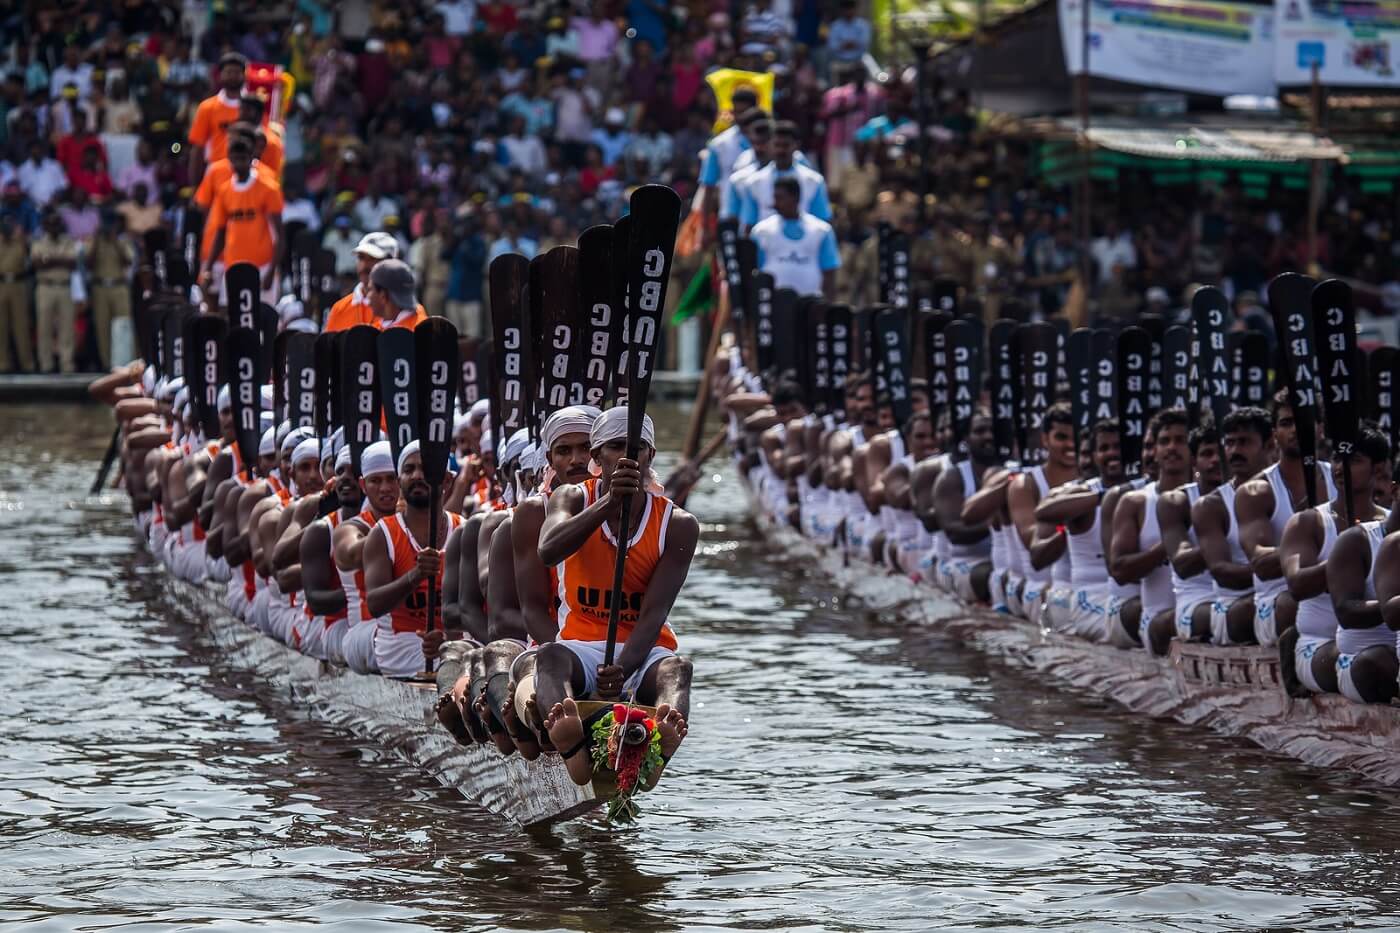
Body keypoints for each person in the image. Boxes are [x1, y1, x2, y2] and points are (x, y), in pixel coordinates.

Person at [534, 407, 694, 786]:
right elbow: (548, 550)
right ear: (597, 456)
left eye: (635, 448)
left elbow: (654, 612)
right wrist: (609, 502)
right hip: (581, 646)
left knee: (678, 669)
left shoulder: (679, 524)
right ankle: (572, 748)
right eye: (615, 447)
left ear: (650, 456)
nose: (627, 456)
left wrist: (622, 669)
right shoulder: (571, 497)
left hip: (643, 649)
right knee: (549, 656)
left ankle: (660, 748)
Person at [1282, 427, 1391, 697]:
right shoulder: (1308, 522)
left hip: (1384, 642)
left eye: (1353, 460)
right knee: (1371, 662)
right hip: (1320, 645)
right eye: (1336, 459)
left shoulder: (1391, 524)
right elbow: (1296, 585)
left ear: (1378, 468)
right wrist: (1348, 556)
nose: (1340, 468)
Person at [1234, 393, 1336, 648]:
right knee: (1293, 602)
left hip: (1337, 592)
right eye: (1286, 423)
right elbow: (1261, 563)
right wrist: (1320, 550)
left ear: (1321, 429)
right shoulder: (1255, 491)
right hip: (1278, 602)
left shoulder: (1340, 478)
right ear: (1274, 434)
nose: (1295, 429)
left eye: (1303, 421)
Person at [362, 441, 466, 678]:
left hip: (453, 643)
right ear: (400, 481)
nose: (417, 475)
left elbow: (475, 605)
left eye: (426, 468)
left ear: (447, 481)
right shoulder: (382, 533)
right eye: (409, 470)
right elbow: (375, 605)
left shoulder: (463, 530)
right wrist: (415, 576)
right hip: (401, 647)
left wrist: (448, 639)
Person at [1035, 419, 1127, 639]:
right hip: (1087, 597)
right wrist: (1106, 497)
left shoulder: (1145, 490)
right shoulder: (1081, 492)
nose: (1112, 453)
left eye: (1118, 447)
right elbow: (1043, 511)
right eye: (1104, 448)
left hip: (1124, 597)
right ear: (1095, 456)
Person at [1193, 407, 1274, 647]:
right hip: (1233, 608)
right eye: (1229, 443)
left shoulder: (1292, 489)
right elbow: (1222, 572)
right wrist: (1289, 571)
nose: (1235, 451)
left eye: (1244, 442)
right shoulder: (1211, 505)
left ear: (1269, 445)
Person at [1110, 410, 1191, 649]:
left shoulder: (1212, 499)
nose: (1172, 447)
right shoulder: (1135, 502)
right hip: (1156, 622)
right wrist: (1170, 544)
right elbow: (1119, 571)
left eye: (1180, 440)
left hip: (1200, 611)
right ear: (1154, 450)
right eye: (1165, 441)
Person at [1152, 424, 1223, 655]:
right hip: (1196, 602)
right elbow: (1182, 565)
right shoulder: (1175, 502)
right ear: (1193, 461)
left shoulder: (1253, 495)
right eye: (1207, 454)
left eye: (1220, 452)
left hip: (1244, 596)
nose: (1215, 460)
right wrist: (1223, 540)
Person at [1006, 403, 1078, 626]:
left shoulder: (1092, 481)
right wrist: (1071, 520)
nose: (1070, 445)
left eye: (1075, 437)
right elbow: (1033, 544)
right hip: (1040, 586)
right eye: (1061, 437)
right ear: (1045, 439)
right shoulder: (1024, 485)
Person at [336, 441, 401, 673]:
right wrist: (399, 526)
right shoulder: (349, 528)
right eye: (376, 481)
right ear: (363, 485)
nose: (385, 488)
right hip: (363, 633)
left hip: (407, 631)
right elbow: (349, 554)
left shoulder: (418, 521)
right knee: (400, 640)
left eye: (391, 479)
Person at [201, 134, 284, 305]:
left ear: (251, 157)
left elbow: (279, 235)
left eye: (243, 159)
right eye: (235, 159)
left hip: (262, 266)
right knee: (228, 313)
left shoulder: (268, 189)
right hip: (233, 266)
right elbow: (220, 232)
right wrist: (208, 267)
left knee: (264, 314)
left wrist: (272, 270)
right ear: (229, 159)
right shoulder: (224, 191)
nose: (239, 164)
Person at [931, 412, 999, 602]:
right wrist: (995, 525)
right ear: (966, 439)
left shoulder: (1016, 470)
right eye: (980, 431)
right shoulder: (951, 478)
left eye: (993, 430)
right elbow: (954, 532)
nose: (988, 436)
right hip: (966, 563)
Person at [748, 176, 840, 299]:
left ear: (795, 198)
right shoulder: (761, 231)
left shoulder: (821, 231)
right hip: (772, 302)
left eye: (780, 198)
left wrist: (828, 304)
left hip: (810, 304)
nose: (775, 204)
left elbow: (829, 273)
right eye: (775, 198)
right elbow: (753, 271)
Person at [738, 122, 831, 230]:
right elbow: (749, 224)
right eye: (777, 145)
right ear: (769, 145)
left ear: (796, 145)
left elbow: (822, 222)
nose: (781, 150)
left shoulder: (813, 181)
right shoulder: (754, 182)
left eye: (786, 145)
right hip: (766, 240)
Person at [188, 52, 247, 186]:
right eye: (229, 72)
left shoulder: (253, 106)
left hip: (247, 173)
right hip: (216, 174)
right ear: (220, 75)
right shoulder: (207, 107)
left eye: (237, 72)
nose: (233, 76)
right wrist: (194, 185)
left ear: (244, 75)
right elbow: (197, 148)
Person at [30, 210, 77, 373]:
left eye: (57, 223)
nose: (54, 226)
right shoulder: (39, 241)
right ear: (45, 226)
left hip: (64, 287)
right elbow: (37, 263)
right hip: (45, 286)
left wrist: (49, 259)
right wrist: (60, 259)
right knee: (44, 327)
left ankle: (67, 364)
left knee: (67, 327)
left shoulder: (68, 241)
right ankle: (46, 364)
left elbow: (72, 263)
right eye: (51, 224)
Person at [324, 232, 398, 332]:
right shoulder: (339, 309)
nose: (364, 265)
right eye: (361, 258)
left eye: (372, 259)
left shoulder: (406, 311)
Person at [88, 211, 134, 369]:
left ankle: (124, 363)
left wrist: (115, 241)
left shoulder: (123, 240)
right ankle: (107, 365)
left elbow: (128, 260)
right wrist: (96, 240)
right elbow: (88, 263)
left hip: (119, 286)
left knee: (123, 325)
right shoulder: (96, 241)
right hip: (100, 287)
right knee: (102, 327)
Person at [0, 210, 34, 372]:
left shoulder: (20, 241)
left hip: (18, 284)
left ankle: (27, 364)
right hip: (1, 284)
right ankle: (2, 364)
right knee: (1, 327)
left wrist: (20, 237)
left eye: (10, 224)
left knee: (21, 326)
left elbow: (28, 259)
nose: (7, 228)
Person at [367, 258, 427, 330]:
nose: (368, 296)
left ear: (383, 296)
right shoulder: (421, 324)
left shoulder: (415, 333)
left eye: (370, 290)